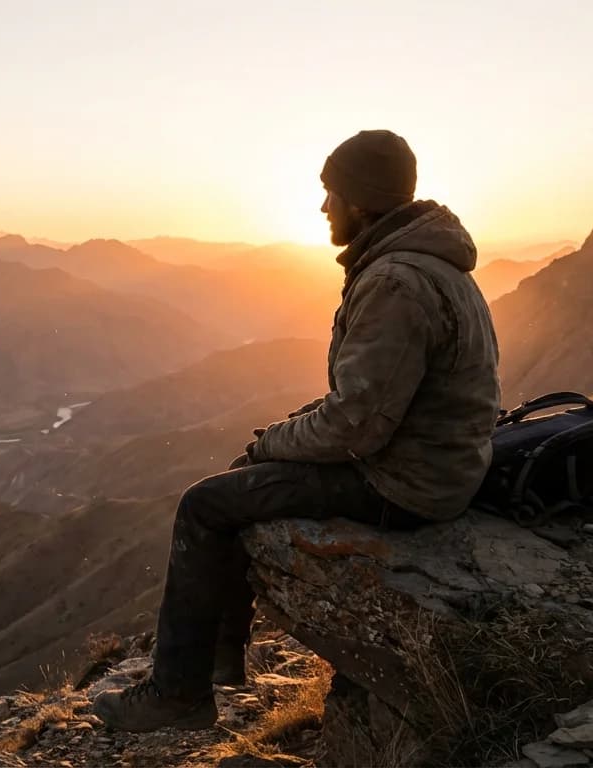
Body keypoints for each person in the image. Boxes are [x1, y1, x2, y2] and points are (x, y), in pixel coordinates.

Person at [92, 129, 501, 732]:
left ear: (360, 201)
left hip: (405, 483)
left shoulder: (395, 282)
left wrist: (271, 442)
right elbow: (374, 396)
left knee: (204, 504)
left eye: (330, 193)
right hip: (431, 464)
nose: (322, 207)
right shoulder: (424, 266)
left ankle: (178, 692)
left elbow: (356, 427)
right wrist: (281, 435)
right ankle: (219, 664)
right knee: (239, 480)